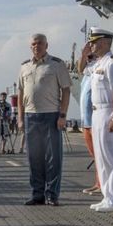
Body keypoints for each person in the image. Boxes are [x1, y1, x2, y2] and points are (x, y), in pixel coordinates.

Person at [16, 33, 72, 206]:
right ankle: (37, 194)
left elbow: (66, 91)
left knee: (53, 158)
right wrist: (19, 117)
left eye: (40, 43)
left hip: (51, 115)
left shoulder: (56, 64)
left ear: (46, 45)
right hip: (30, 116)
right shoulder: (24, 66)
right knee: (34, 158)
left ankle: (51, 194)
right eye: (33, 44)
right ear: (30, 46)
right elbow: (20, 93)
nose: (36, 46)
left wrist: (62, 115)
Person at [87, 27, 113, 212]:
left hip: (109, 111)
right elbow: (81, 70)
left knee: (111, 157)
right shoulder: (98, 63)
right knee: (102, 158)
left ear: (104, 42)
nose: (91, 45)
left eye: (94, 42)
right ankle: (107, 196)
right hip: (97, 113)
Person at [77, 45, 102, 194]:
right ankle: (98, 182)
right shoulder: (88, 70)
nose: (88, 58)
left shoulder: (99, 68)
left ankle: (102, 184)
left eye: (90, 55)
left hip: (95, 120)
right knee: (95, 156)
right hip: (86, 121)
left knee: (100, 155)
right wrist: (83, 54)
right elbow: (80, 68)